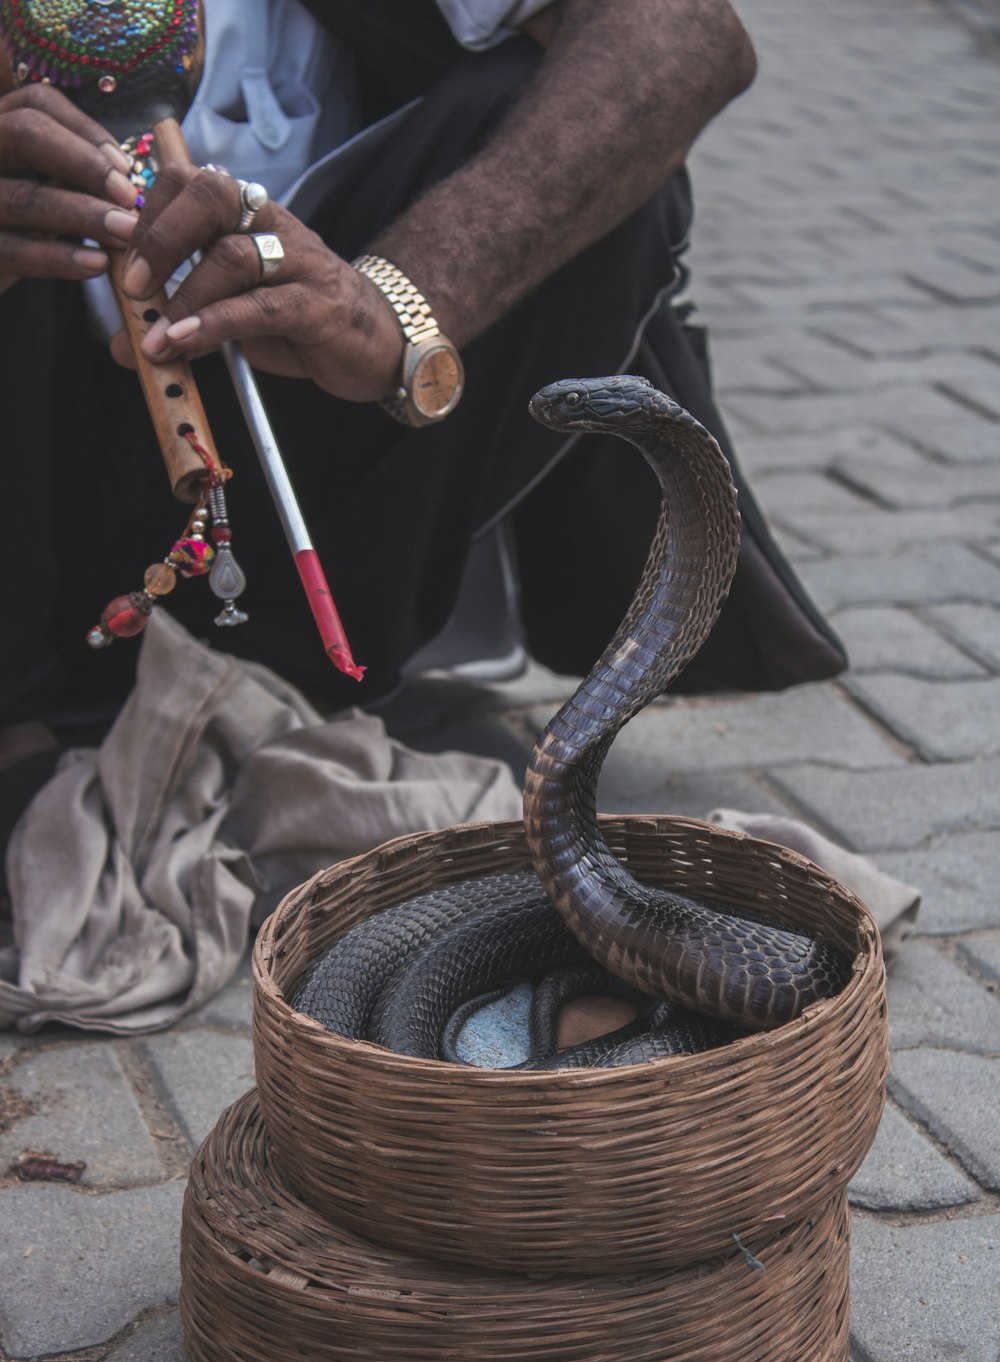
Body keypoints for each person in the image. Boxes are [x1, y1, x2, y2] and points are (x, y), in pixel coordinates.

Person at [0, 0, 844, 833]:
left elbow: (683, 29)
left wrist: (397, 305)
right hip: (39, 450)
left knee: (560, 106)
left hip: (289, 427)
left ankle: (282, 686)